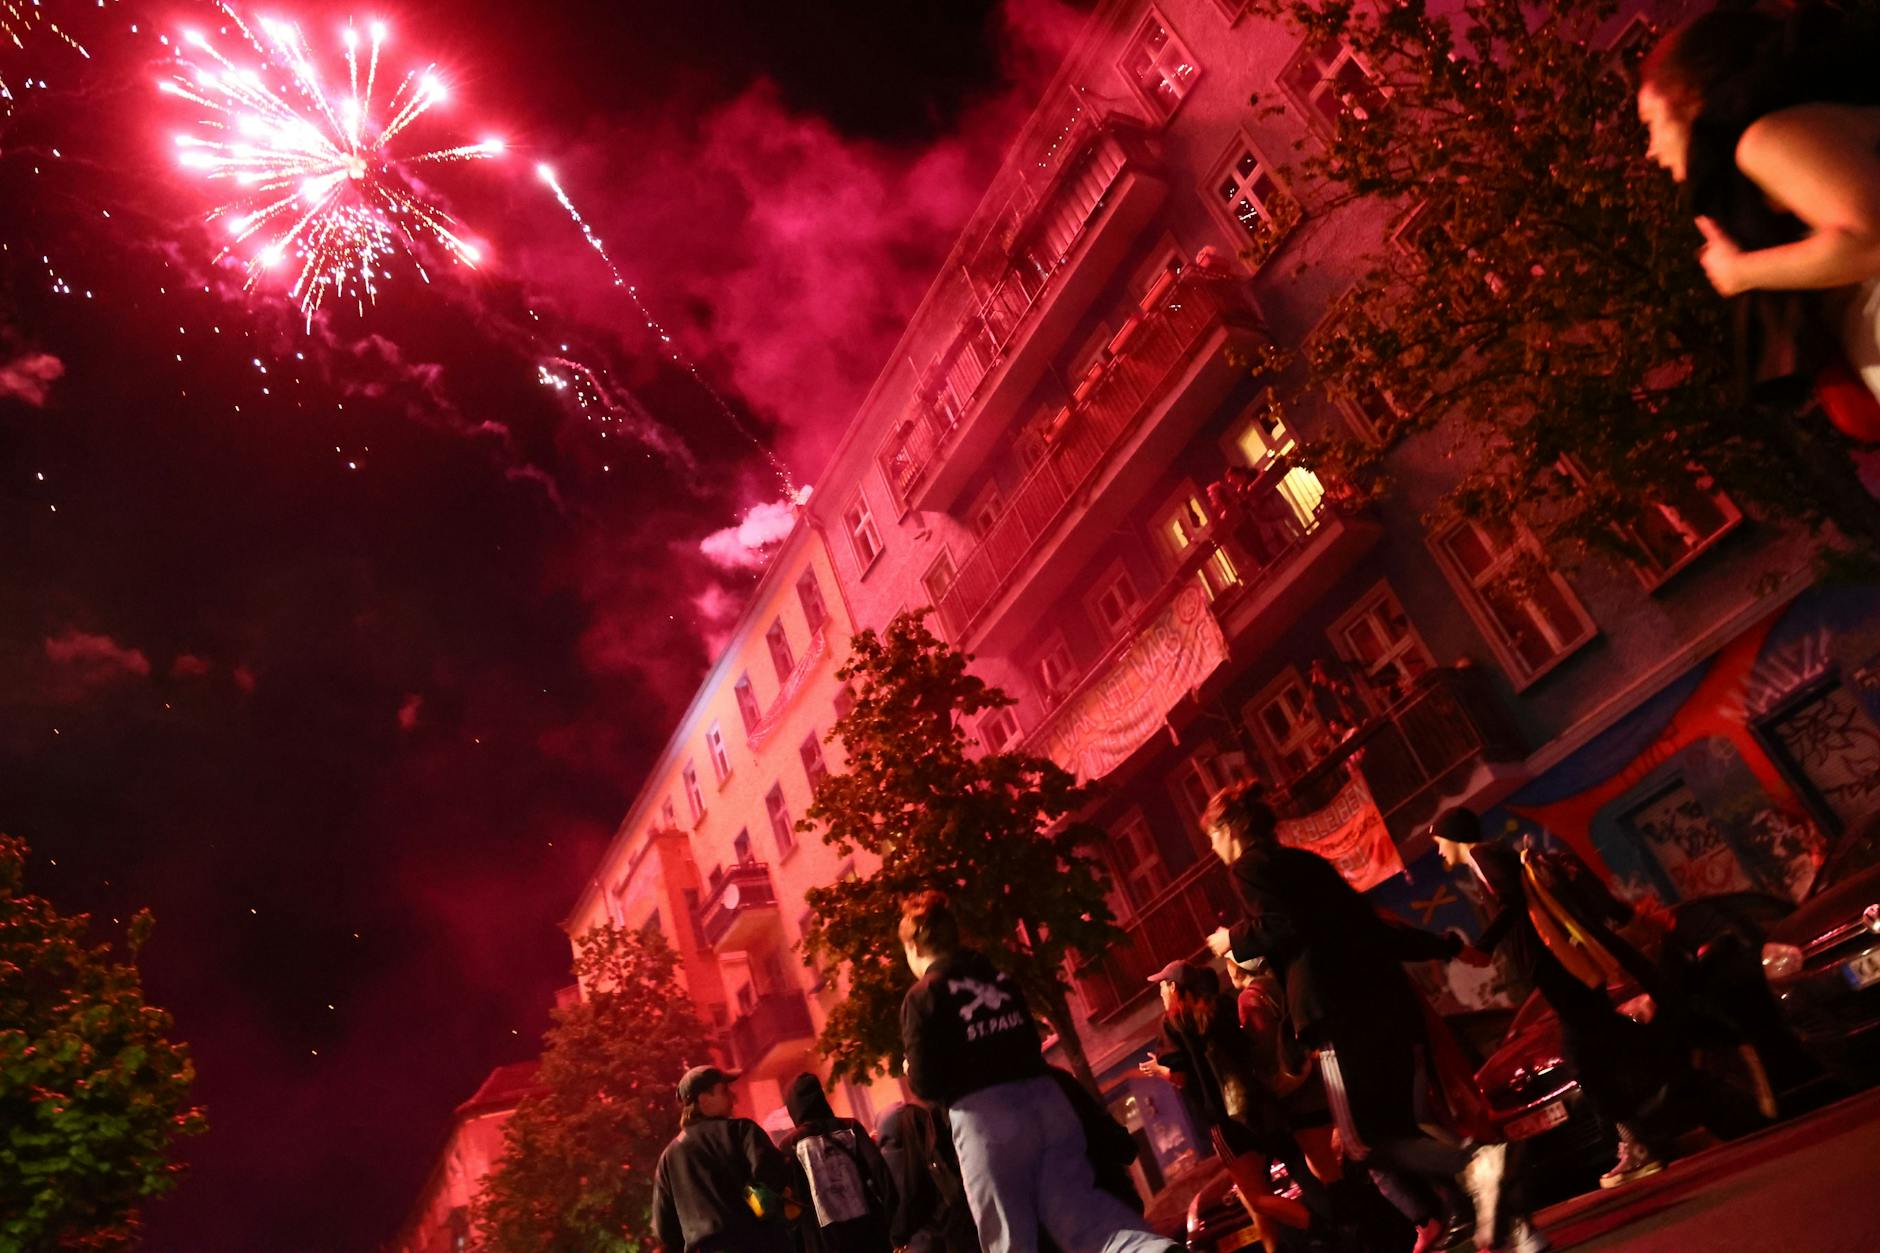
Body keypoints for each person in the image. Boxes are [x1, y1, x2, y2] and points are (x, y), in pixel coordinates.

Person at [1201, 782, 1480, 1253]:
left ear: (1229, 828)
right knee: (1391, 1128)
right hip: (1381, 1002)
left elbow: (1282, 922)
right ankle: (1457, 1208)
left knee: (1362, 1141)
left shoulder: (1250, 868)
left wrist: (1233, 938)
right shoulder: (1306, 863)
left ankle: (1473, 1164)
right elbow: (1370, 925)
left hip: (1333, 1015)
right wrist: (1447, 945)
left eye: (1211, 835)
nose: (1212, 847)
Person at [1636, 4, 1880, 434]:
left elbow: (1870, 240)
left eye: (1650, 122)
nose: (1650, 150)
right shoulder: (1767, 157)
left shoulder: (1761, 141)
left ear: (1689, 95)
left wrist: (1742, 272)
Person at [897, 890, 1176, 1253]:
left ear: (914, 949)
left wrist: (913, 1066)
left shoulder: (922, 997)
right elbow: (1031, 1044)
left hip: (988, 1123)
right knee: (1089, 1223)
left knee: (1011, 1241)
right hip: (1047, 1106)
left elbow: (926, 1083)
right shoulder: (999, 979)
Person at [1137, 960, 1323, 1253]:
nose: (1161, 990)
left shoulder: (1172, 1022)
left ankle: (1321, 1227)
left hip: (1226, 1121)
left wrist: (1157, 1069)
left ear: (1173, 987)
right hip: (1260, 1105)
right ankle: (1323, 1224)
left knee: (1256, 1196)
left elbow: (1180, 1075)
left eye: (1163, 984)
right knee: (1297, 1168)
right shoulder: (1221, 1005)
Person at [651, 1065, 796, 1253]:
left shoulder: (668, 1158)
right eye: (724, 1091)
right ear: (704, 1100)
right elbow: (772, 1177)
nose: (733, 1097)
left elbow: (666, 1231)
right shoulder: (741, 1131)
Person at [777, 1072, 897, 1253]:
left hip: (823, 1241)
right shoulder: (851, 1127)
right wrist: (894, 1223)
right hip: (869, 1232)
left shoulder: (790, 1145)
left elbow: (789, 1198)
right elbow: (880, 1172)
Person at [875, 1101, 979, 1253]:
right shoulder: (941, 1144)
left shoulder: (894, 1156)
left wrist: (897, 1236)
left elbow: (910, 1197)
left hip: (923, 1240)